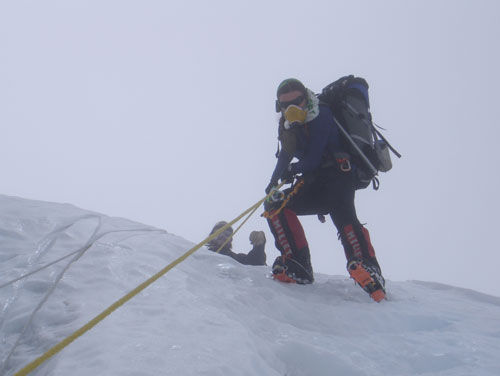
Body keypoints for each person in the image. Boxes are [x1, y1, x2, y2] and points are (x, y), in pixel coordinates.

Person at [264, 78, 386, 302]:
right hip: (314, 183)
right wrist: (272, 184)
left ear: (305, 98)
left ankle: (368, 268)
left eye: (297, 101)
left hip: (339, 176)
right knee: (275, 205)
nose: (291, 109)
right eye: (285, 105)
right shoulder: (288, 125)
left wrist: (292, 170)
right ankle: (297, 264)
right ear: (278, 106)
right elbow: (286, 155)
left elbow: (312, 158)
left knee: (344, 215)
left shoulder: (321, 114)